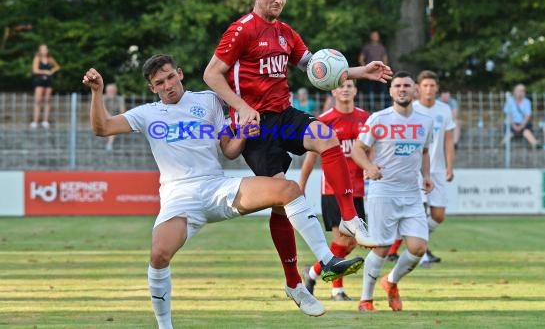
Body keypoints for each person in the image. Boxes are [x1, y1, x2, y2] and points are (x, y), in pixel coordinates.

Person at [83, 54, 366, 327]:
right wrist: (97, 92)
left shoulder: (208, 101)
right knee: (159, 255)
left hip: (217, 187)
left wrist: (243, 133)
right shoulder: (146, 113)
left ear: (179, 74)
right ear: (151, 87)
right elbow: (103, 127)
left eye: (170, 77)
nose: (168, 85)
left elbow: (229, 151)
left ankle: (325, 262)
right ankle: (164, 325)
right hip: (178, 197)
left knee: (289, 190)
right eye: (160, 83)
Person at [203, 0, 392, 312]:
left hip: (284, 114)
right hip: (257, 126)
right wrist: (241, 108)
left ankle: (350, 219)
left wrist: (360, 72)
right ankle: (294, 283)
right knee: (281, 198)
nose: (278, 0)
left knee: (327, 136)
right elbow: (212, 74)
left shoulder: (286, 33)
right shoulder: (241, 30)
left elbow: (317, 70)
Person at [350, 71, 434, 312]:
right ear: (390, 91)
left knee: (418, 247)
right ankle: (365, 299)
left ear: (415, 90)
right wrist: (369, 166)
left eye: (407, 85)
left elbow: (425, 151)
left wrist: (426, 176)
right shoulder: (379, 119)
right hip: (383, 192)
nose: (402, 89)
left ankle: (391, 281)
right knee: (382, 247)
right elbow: (358, 149)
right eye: (397, 86)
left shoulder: (424, 121)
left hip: (412, 193)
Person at [298, 79, 370, 301]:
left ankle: (312, 273)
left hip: (357, 191)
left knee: (350, 243)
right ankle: (336, 290)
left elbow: (372, 149)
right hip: (332, 190)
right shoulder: (324, 120)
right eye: (341, 86)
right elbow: (311, 157)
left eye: (350, 86)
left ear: (355, 90)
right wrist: (301, 185)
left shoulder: (366, 118)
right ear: (334, 91)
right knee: (342, 239)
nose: (345, 89)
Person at [413, 71, 455, 267]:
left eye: (432, 85)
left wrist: (450, 166)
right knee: (420, 213)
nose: (429, 89)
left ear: (437, 88)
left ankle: (415, 239)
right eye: (425, 85)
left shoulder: (445, 110)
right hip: (416, 170)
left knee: (438, 215)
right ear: (418, 88)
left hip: (437, 170)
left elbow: (449, 141)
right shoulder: (411, 109)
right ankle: (422, 255)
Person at [30, 44, 60, 129]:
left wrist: (51, 71)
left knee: (47, 100)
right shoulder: (37, 58)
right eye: (42, 49)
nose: (44, 51)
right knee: (38, 101)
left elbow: (57, 66)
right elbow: (35, 70)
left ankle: (45, 121)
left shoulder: (50, 59)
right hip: (39, 81)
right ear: (39, 51)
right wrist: (45, 71)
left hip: (48, 81)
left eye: (45, 49)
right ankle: (35, 121)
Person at [358, 30, 390, 110]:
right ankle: (371, 108)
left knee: (383, 89)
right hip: (370, 72)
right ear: (371, 36)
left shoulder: (381, 47)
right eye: (373, 35)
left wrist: (384, 68)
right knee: (370, 90)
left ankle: (385, 107)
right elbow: (361, 58)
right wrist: (365, 68)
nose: (375, 37)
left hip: (380, 72)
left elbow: (385, 59)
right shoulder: (367, 47)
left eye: (376, 35)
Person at [102, 83, 126, 151]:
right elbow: (103, 110)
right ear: (106, 91)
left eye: (112, 90)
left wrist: (117, 118)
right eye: (109, 91)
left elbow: (122, 110)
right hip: (105, 118)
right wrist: (110, 118)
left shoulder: (120, 98)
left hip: (116, 118)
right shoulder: (103, 98)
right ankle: (110, 144)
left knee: (114, 125)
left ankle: (109, 143)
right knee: (112, 125)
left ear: (116, 91)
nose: (111, 92)